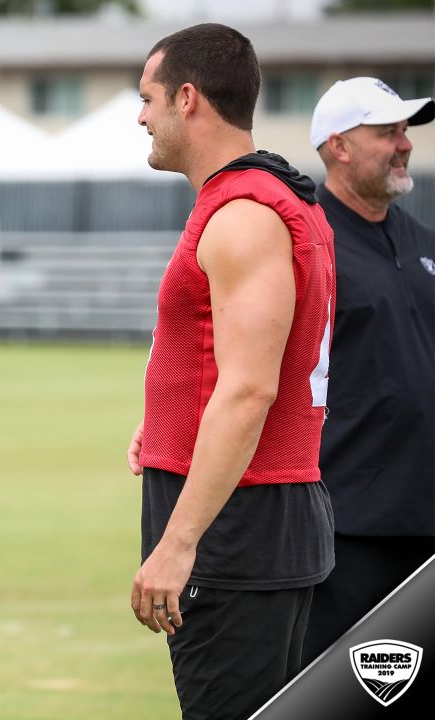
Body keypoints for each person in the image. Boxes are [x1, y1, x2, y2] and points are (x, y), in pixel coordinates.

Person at [126, 24, 336, 719]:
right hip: (254, 516)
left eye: (148, 97)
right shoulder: (262, 195)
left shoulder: (245, 212)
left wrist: (177, 543)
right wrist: (162, 425)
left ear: (188, 98)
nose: (141, 116)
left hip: (237, 528)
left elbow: (249, 389)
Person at [299, 78, 435, 666]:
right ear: (340, 147)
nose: (404, 145)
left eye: (405, 131)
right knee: (341, 691)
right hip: (346, 527)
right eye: (387, 133)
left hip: (425, 520)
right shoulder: (305, 241)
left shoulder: (423, 240)